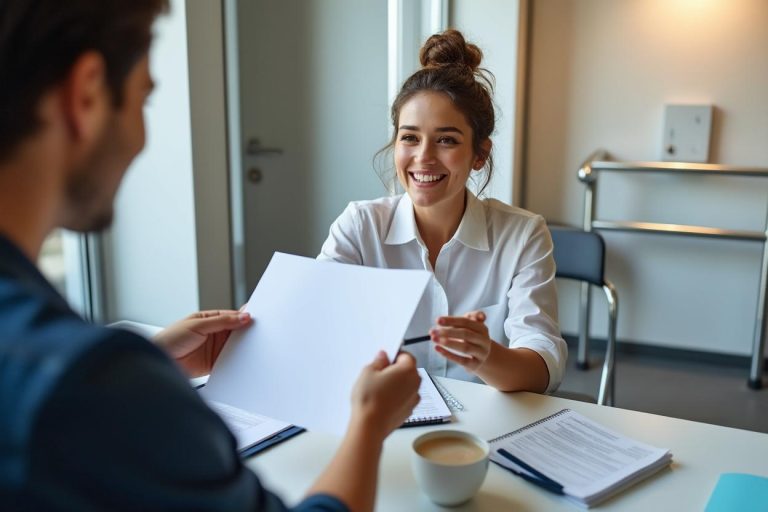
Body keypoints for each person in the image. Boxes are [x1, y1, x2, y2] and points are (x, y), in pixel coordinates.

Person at [0, 1, 421, 511]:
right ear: (86, 94)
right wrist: (368, 426)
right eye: (143, 99)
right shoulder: (90, 381)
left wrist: (152, 360)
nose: (140, 138)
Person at [319, 30, 567, 394]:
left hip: (485, 432)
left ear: (480, 154)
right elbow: (312, 319)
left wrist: (486, 355)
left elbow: (543, 368)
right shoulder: (359, 226)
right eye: (409, 137)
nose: (423, 157)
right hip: (383, 420)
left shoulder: (523, 235)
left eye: (447, 140)